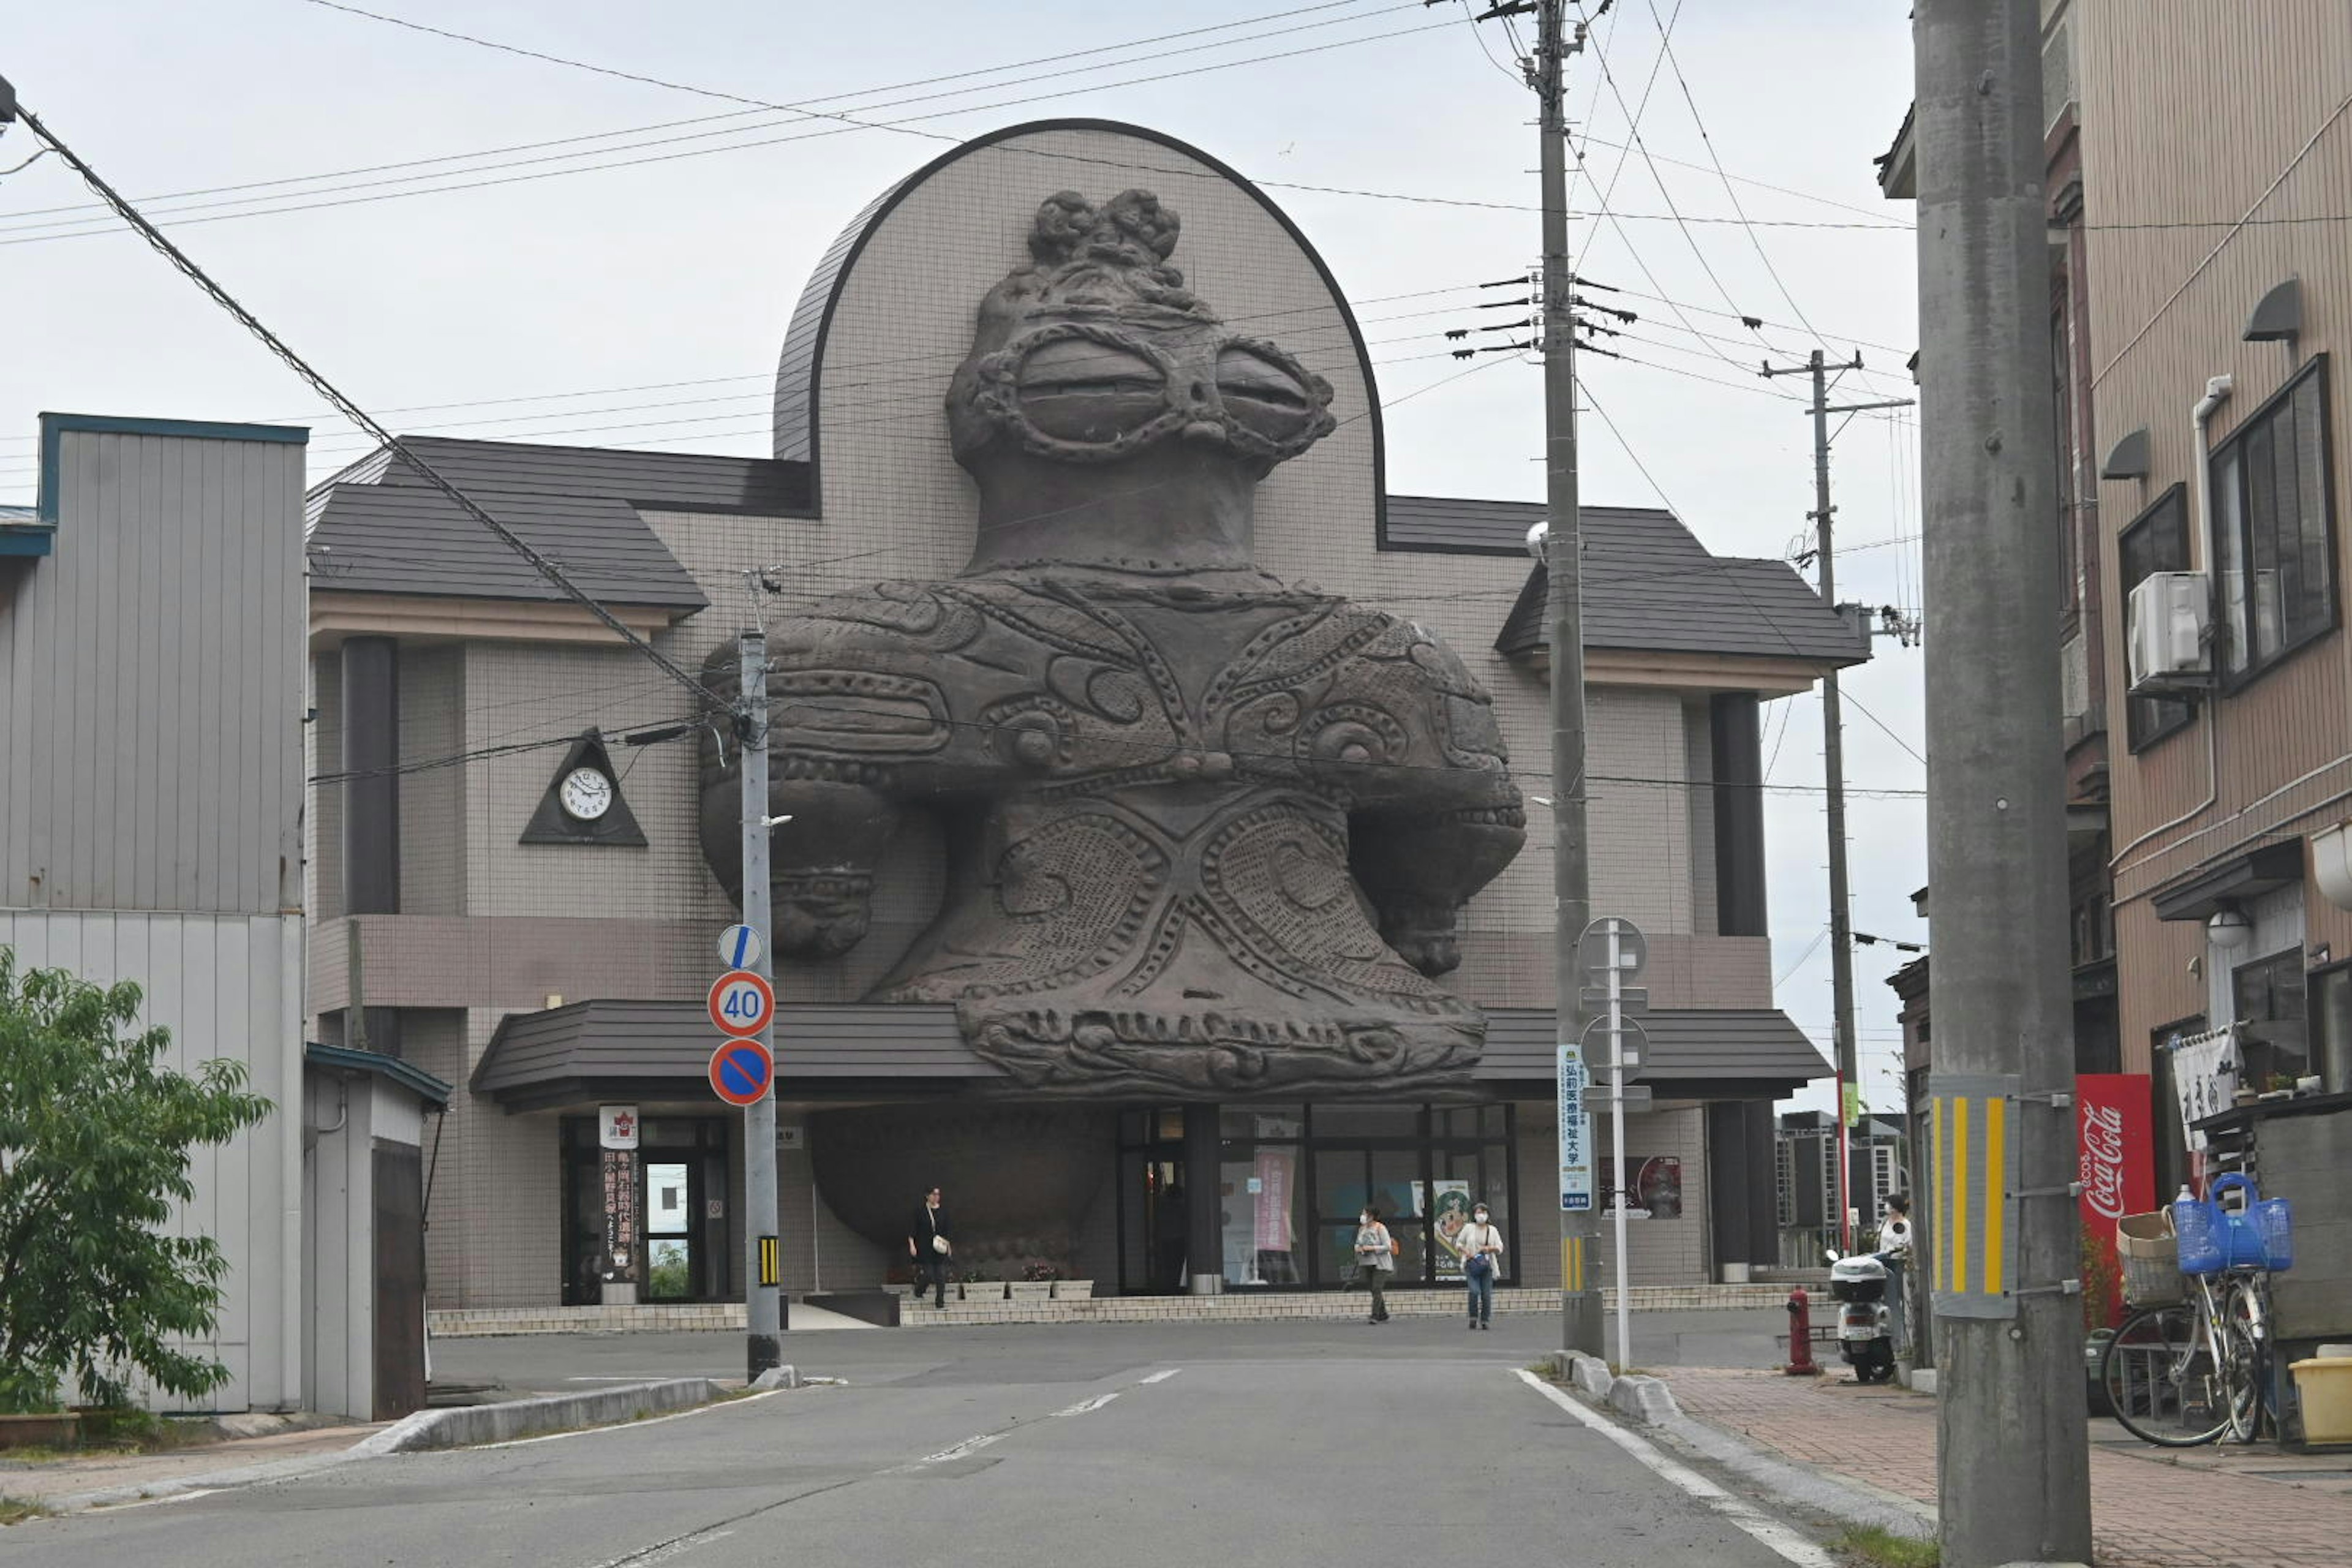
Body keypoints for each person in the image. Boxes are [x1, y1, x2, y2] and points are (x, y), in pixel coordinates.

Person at [1457, 1202, 1505, 1330]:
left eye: (1483, 1212)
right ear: (1474, 1215)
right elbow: (1459, 1243)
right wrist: (1466, 1252)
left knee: (1486, 1294)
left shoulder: (1492, 1230)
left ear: (1487, 1214)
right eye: (1478, 1213)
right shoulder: (1468, 1228)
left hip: (1487, 1266)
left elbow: (1500, 1247)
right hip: (1471, 1264)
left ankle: (1485, 1320)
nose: (1481, 1215)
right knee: (1474, 1291)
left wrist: (1489, 1248)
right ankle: (1473, 1317)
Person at [1875, 1193, 1913, 1351]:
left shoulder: (1906, 1225)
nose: (1887, 1207)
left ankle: (1900, 1338)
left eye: (1889, 1204)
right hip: (1882, 1262)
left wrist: (1898, 1251)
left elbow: (1908, 1245)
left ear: (1896, 1207)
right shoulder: (1885, 1222)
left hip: (1896, 1264)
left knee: (1896, 1300)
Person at [907, 1185, 953, 1309]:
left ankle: (940, 1302)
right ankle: (919, 1291)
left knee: (941, 1275)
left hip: (940, 1248)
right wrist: (912, 1245)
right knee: (929, 1274)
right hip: (925, 1248)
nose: (936, 1197)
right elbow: (913, 1229)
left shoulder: (944, 1212)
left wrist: (948, 1247)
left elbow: (947, 1231)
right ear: (927, 1196)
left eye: (938, 1194)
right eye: (934, 1194)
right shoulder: (920, 1212)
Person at [1352, 1204, 1394, 1324]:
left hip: (1380, 1264)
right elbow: (1357, 1243)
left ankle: (1375, 1315)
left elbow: (1388, 1246)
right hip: (1367, 1262)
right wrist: (1358, 1248)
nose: (1363, 1216)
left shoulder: (1380, 1228)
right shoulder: (1362, 1229)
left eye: (1365, 1214)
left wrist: (1372, 1248)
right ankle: (1383, 1314)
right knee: (1373, 1289)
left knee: (1377, 1287)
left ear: (1372, 1216)